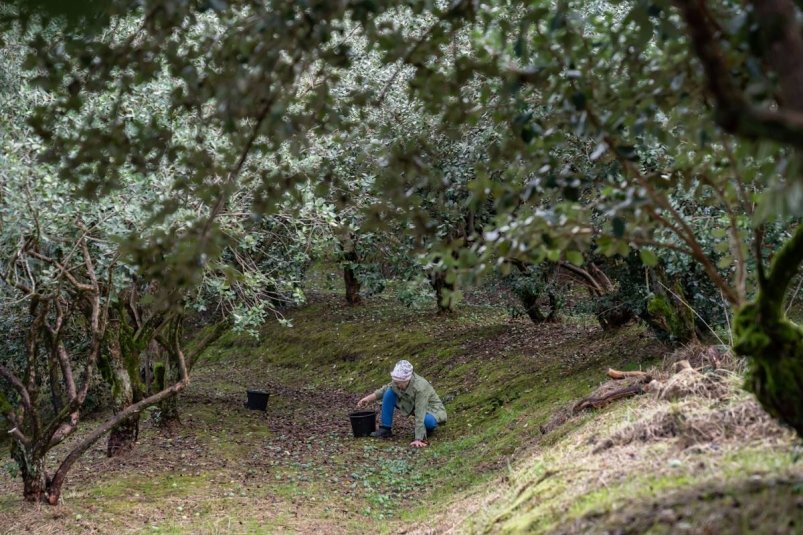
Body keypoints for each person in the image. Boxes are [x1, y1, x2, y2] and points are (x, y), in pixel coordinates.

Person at [356, 360, 447, 448]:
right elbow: (383, 390)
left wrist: (419, 439)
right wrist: (367, 399)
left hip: (431, 409)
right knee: (389, 392)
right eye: (395, 382)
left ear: (406, 380)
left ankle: (425, 431)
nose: (396, 385)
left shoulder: (420, 388)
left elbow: (420, 411)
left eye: (398, 383)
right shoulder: (397, 383)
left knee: (428, 422)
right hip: (411, 405)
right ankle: (385, 428)